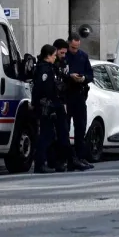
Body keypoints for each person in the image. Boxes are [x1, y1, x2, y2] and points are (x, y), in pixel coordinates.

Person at [33, 44, 84, 173]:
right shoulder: (44, 69)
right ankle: (40, 164)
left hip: (55, 104)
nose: (56, 58)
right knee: (46, 135)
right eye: (54, 55)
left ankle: (68, 160)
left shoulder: (51, 67)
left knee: (60, 134)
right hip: (49, 106)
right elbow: (43, 89)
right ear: (48, 56)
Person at [63, 34, 95, 171]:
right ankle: (67, 158)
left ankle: (80, 157)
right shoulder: (64, 55)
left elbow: (91, 75)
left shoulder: (83, 56)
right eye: (72, 47)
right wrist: (70, 76)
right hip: (66, 95)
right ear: (68, 44)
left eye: (77, 47)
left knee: (81, 127)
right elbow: (60, 73)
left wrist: (83, 79)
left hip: (80, 95)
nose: (75, 50)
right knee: (64, 128)